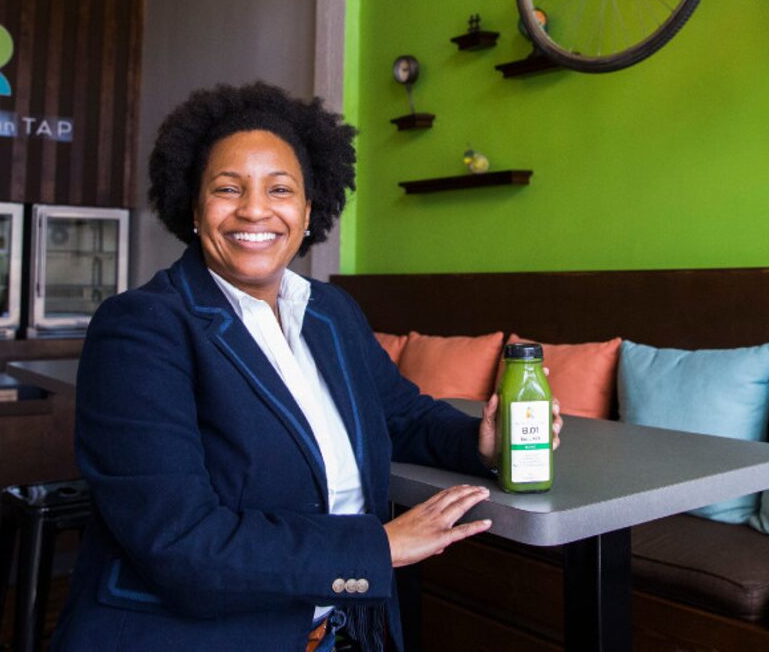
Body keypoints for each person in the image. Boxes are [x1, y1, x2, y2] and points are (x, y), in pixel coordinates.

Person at [50, 81, 561, 652]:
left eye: (280, 189)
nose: (254, 210)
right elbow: (181, 543)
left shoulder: (329, 312)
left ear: (309, 209)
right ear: (193, 208)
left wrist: (481, 443)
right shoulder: (141, 327)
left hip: (344, 631)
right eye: (227, 188)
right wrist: (380, 547)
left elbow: (401, 416)